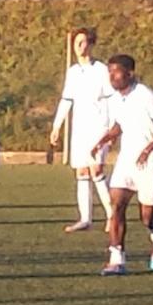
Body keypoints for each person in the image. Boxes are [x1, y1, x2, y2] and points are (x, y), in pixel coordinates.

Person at [92, 54, 153, 275]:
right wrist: (105, 139)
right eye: (109, 72)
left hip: (151, 161)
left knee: (147, 218)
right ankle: (116, 260)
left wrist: (148, 149)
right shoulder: (116, 98)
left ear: (130, 73)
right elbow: (121, 123)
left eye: (116, 71)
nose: (112, 76)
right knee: (116, 205)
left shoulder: (145, 95)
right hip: (127, 160)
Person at [49, 27, 114, 233]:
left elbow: (111, 99)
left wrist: (112, 129)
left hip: (99, 126)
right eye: (76, 42)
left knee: (96, 170)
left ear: (91, 44)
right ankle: (85, 219)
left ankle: (112, 215)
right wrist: (57, 126)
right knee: (82, 171)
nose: (79, 46)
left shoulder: (101, 70)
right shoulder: (73, 72)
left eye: (83, 41)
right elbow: (67, 100)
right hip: (80, 128)